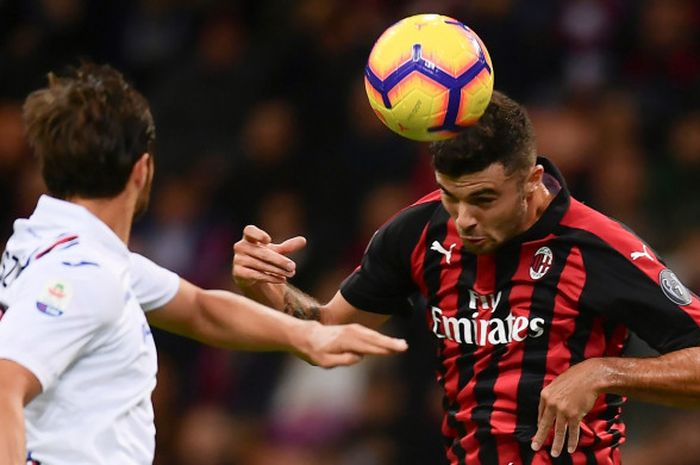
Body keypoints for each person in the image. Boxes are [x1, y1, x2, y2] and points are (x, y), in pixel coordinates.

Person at [233, 90, 700, 465]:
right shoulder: (417, 232)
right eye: (450, 196)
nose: (464, 219)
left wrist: (602, 373)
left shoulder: (598, 246)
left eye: (483, 199)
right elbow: (327, 331)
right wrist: (266, 287)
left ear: (532, 180)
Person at [0, 63, 408, 465]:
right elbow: (5, 386)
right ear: (143, 169)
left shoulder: (59, 245)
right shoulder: (82, 273)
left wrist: (306, 336)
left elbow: (201, 309)